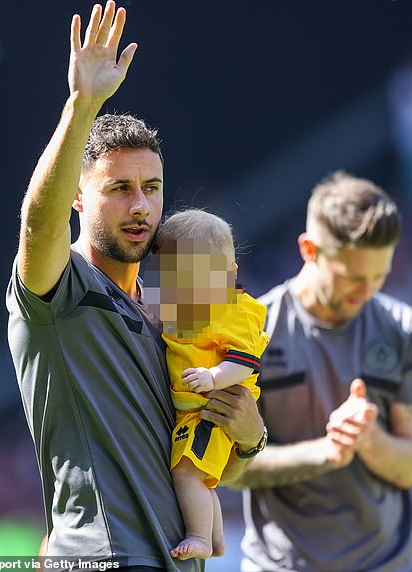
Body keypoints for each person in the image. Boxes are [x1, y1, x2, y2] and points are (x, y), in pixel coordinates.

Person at [5, 3, 265, 570]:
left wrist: (249, 437)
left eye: (151, 187)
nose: (140, 205)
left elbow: (207, 456)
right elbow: (38, 224)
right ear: (80, 197)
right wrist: (82, 106)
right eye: (118, 187)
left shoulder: (176, 312)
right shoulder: (60, 289)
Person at [234, 171, 412, 572]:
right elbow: (228, 470)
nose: (367, 292)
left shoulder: (405, 331)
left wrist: (367, 439)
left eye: (380, 276)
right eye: (352, 277)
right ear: (309, 250)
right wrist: (324, 453)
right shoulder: (251, 331)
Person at [143, 209, 269, 561]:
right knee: (201, 480)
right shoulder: (181, 308)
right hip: (194, 411)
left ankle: (199, 536)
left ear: (228, 276)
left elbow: (245, 361)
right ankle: (214, 538)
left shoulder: (235, 310)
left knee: (187, 475)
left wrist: (213, 378)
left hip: (211, 411)